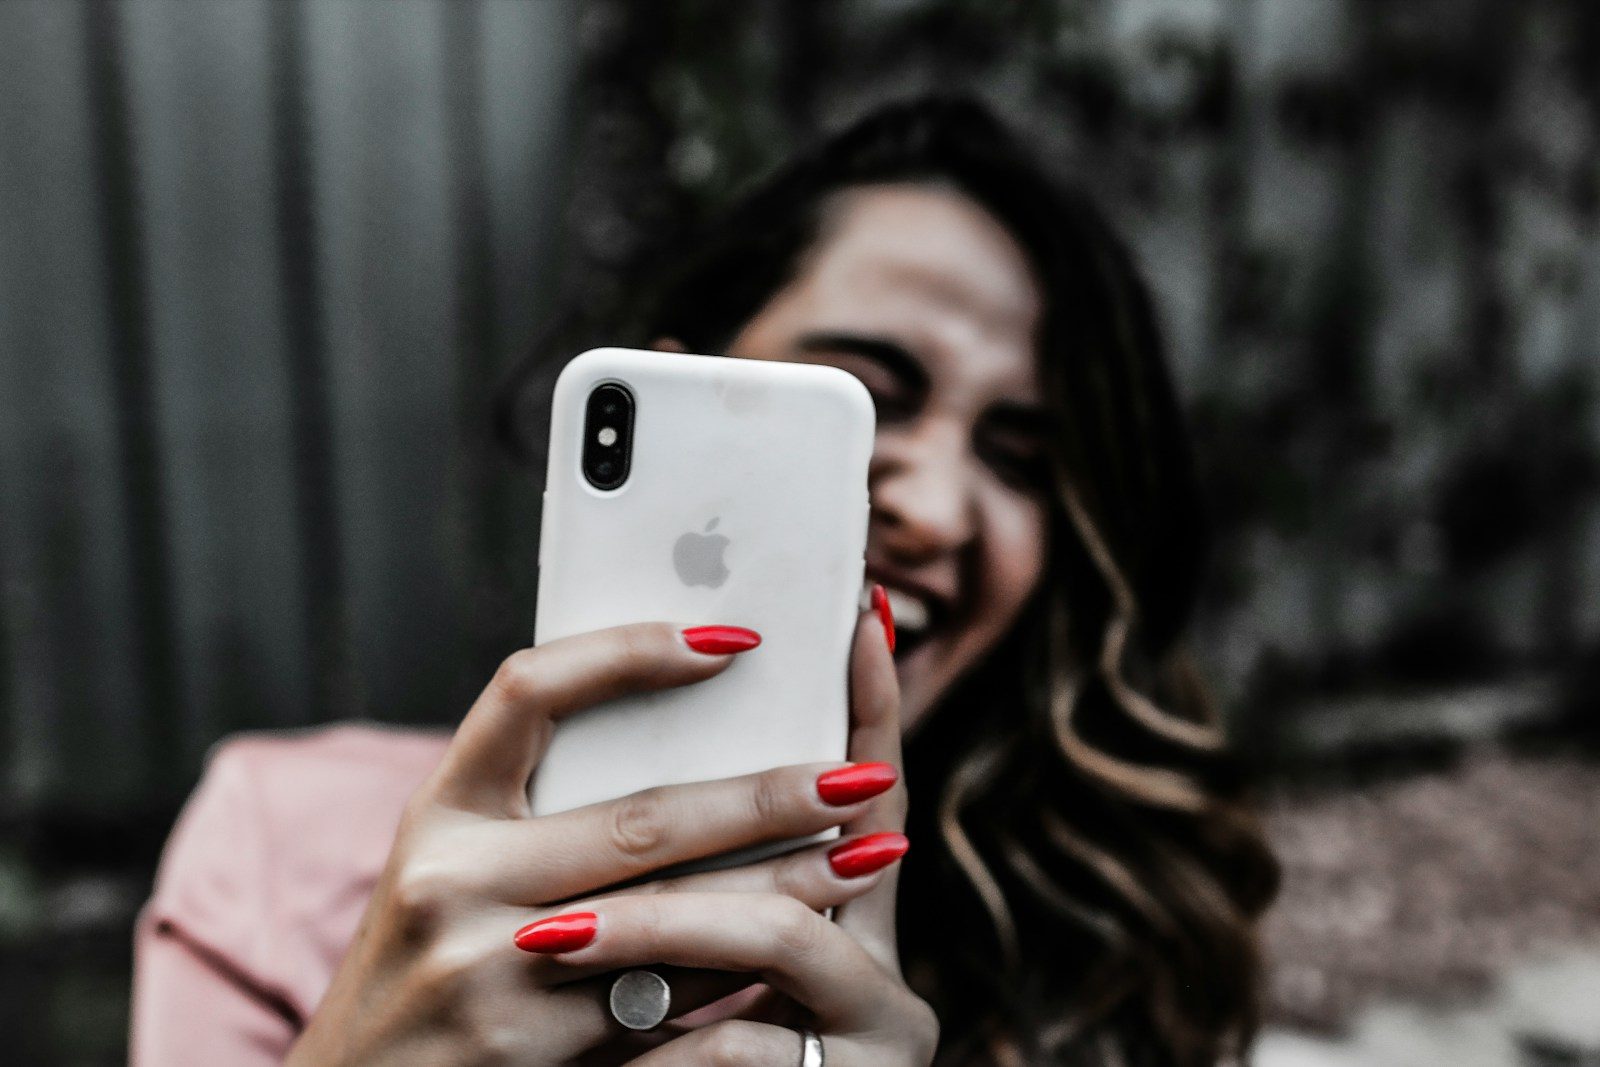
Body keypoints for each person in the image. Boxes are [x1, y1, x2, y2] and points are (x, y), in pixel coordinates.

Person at [132, 96, 1278, 1067]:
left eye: (1023, 460)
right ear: (675, 385)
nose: (933, 507)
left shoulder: (1101, 942)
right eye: (864, 397)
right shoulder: (280, 845)